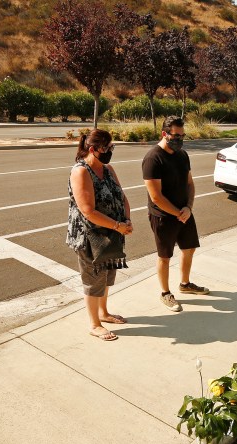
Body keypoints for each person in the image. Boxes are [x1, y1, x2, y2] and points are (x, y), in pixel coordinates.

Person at [67, 129, 133, 341]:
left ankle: (104, 313)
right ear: (93, 149)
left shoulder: (109, 169)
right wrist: (117, 225)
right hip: (90, 236)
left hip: (113, 232)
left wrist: (127, 220)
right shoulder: (81, 171)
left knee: (106, 276)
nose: (110, 151)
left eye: (112, 147)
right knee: (93, 279)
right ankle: (94, 324)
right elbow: (87, 210)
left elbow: (121, 196)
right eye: (107, 148)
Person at [143, 116, 208, 312]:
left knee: (189, 249)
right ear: (165, 134)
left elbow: (190, 183)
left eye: (182, 135)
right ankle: (165, 293)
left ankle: (185, 284)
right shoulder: (153, 158)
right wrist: (178, 213)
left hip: (184, 213)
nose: (180, 139)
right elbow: (156, 197)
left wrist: (188, 207)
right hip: (163, 216)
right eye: (176, 135)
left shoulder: (182, 155)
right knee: (165, 256)